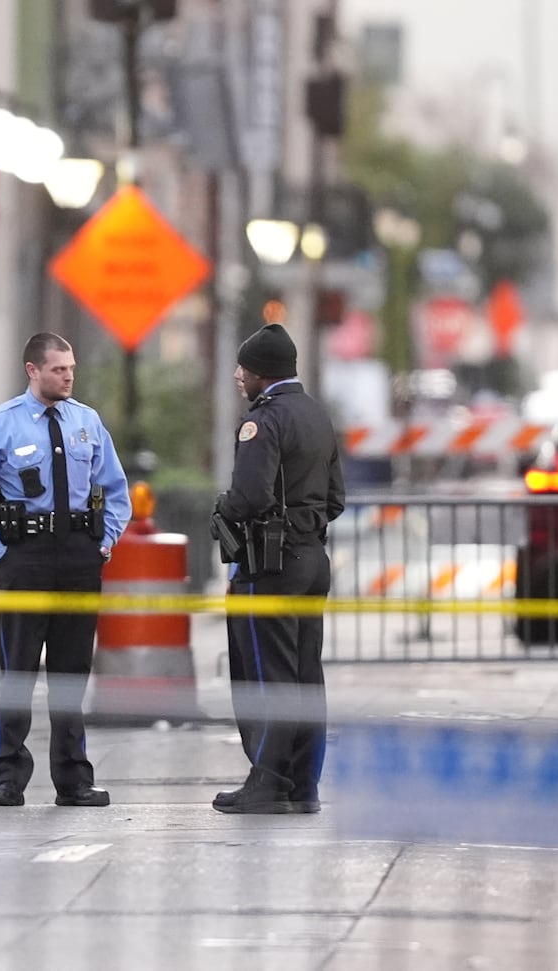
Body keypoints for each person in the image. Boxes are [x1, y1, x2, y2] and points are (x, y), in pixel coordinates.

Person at [0, 332, 132, 807]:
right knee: (18, 670)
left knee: (71, 672)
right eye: (59, 369)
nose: (69, 375)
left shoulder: (86, 422)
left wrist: (105, 540)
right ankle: (7, 777)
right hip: (26, 556)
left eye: (71, 367)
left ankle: (73, 780)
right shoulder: (2, 424)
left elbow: (114, 489)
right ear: (33, 370)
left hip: (79, 555)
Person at [212, 323, 345, 814]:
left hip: (268, 565)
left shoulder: (263, 422)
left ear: (260, 375)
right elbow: (336, 498)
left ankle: (267, 781)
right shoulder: (317, 416)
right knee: (306, 674)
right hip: (312, 560)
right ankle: (302, 785)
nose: (238, 377)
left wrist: (223, 506)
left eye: (243, 369)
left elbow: (250, 497)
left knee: (266, 676)